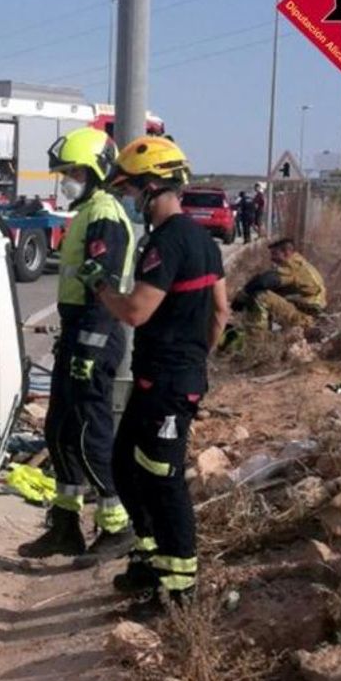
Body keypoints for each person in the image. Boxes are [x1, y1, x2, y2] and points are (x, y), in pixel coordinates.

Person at [82, 136, 227, 618]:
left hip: (167, 382)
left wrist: (101, 285)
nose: (128, 199)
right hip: (167, 377)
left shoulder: (166, 242)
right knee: (125, 464)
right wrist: (197, 357)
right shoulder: (204, 240)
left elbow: (137, 312)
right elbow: (220, 311)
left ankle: (179, 588)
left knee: (163, 479)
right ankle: (150, 556)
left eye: (129, 191)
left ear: (151, 187)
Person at [18, 128, 139, 563]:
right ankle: (65, 525)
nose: (65, 179)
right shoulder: (89, 211)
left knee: (89, 430)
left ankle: (116, 525)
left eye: (72, 171)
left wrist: (86, 348)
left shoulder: (104, 212)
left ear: (94, 173)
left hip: (95, 330)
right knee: (61, 430)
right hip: (78, 330)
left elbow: (101, 283)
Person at [234, 237, 325, 330]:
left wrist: (242, 296)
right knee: (270, 294)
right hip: (308, 314)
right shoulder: (301, 264)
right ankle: (267, 328)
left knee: (261, 296)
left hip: (305, 318)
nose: (272, 258)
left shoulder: (292, 266)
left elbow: (263, 281)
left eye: (274, 254)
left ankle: (256, 335)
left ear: (286, 253)